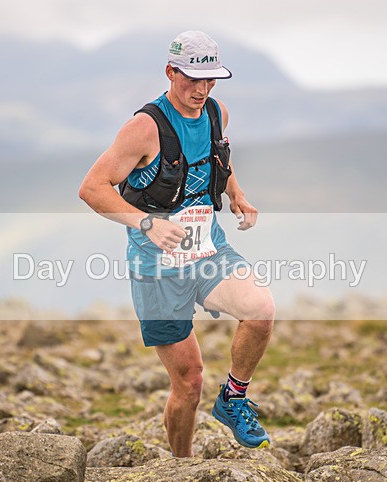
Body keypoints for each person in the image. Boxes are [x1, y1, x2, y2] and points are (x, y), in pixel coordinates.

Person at [79, 31, 275, 457]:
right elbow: (93, 188)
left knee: (260, 312)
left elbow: (216, 157)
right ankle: (181, 465)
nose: (202, 90)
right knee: (188, 383)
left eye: (211, 80)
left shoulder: (216, 113)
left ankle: (234, 399)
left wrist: (236, 193)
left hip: (209, 249)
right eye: (192, 79)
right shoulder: (144, 128)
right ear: (171, 72)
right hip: (156, 268)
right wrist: (146, 223)